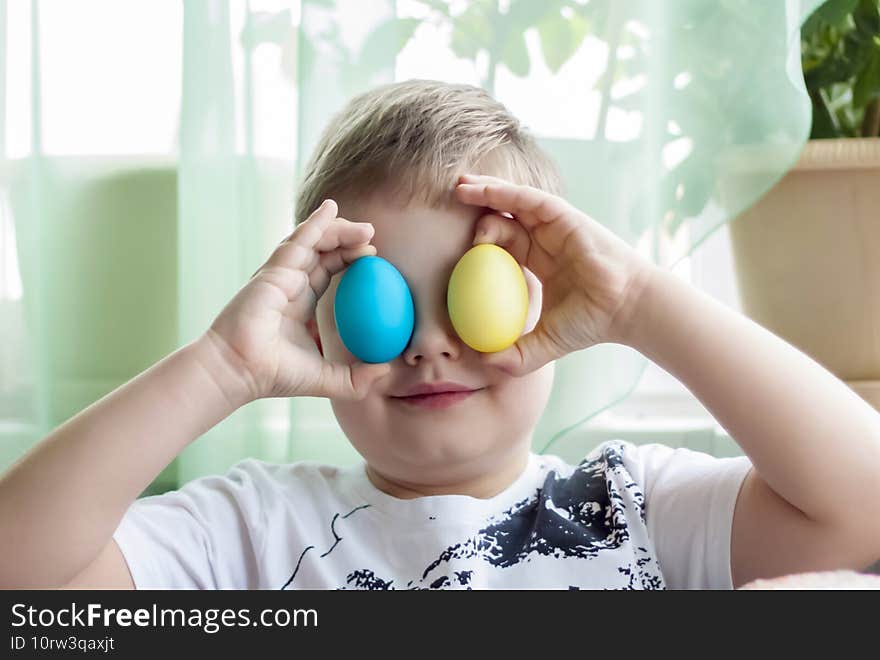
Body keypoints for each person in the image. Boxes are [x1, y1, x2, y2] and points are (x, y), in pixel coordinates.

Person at [2, 80, 878, 590]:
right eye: (377, 303)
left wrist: (642, 300)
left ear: (556, 304)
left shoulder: (634, 508)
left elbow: (863, 506)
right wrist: (222, 366)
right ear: (317, 324)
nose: (427, 346)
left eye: (472, 295)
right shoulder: (253, 529)